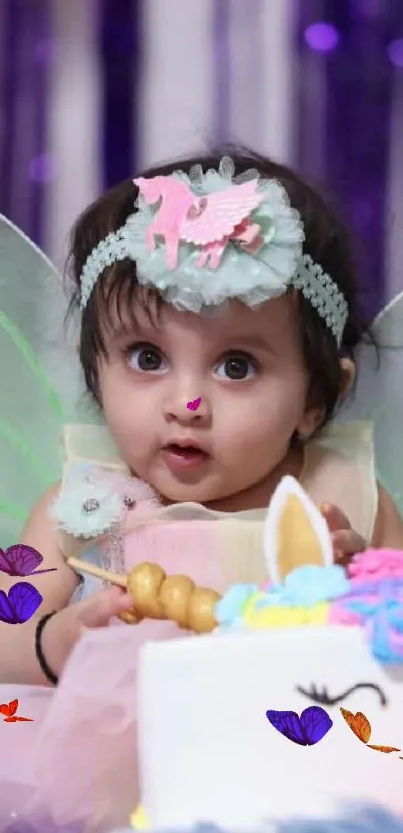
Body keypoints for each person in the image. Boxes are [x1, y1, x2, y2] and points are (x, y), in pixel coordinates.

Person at [2, 148, 403, 688]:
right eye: (147, 357)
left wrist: (362, 596)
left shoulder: (347, 500)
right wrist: (56, 643)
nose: (185, 403)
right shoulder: (78, 507)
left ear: (316, 399)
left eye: (237, 367)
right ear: (91, 367)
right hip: (120, 755)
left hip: (295, 751)